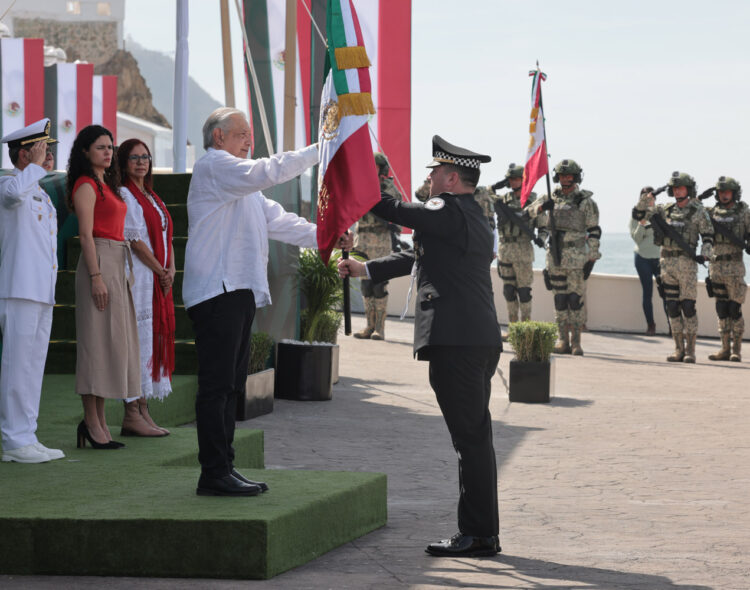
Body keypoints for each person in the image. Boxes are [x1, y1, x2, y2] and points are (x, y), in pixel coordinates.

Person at [338, 135, 503, 558]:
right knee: (473, 438)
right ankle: (480, 531)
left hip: (458, 342)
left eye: (433, 173)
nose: (427, 179)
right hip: (474, 338)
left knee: (470, 440)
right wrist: (365, 267)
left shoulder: (448, 209)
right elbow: (418, 256)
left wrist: (358, 179)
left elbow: (392, 210)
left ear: (450, 178)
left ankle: (479, 534)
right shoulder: (470, 214)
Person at [183, 107, 351, 497]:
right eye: (241, 133)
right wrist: (321, 150)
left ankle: (223, 466)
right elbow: (268, 170)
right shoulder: (215, 166)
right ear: (219, 137)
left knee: (229, 386)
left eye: (250, 134)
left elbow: (283, 223)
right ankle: (213, 471)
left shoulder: (242, 186)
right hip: (217, 292)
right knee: (217, 386)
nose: (249, 140)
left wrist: (329, 235)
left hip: (236, 292)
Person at [67, 124, 140, 449]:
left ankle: (97, 421)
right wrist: (96, 277)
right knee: (95, 344)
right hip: (99, 263)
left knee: (111, 343)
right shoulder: (85, 185)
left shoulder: (107, 184)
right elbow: (85, 235)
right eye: (101, 147)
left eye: (111, 146)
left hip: (115, 263)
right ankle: (92, 423)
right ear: (85, 152)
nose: (109, 152)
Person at [0, 118, 65, 463]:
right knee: (17, 365)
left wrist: (35, 170)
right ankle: (13, 440)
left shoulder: (38, 190)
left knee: (32, 365)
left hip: (40, 290)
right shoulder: (10, 183)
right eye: (42, 148)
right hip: (18, 288)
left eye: (49, 148)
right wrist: (33, 168)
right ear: (24, 155)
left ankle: (27, 434)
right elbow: (11, 197)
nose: (49, 154)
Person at [119, 138, 175, 435]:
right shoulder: (125, 194)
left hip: (157, 275)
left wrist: (171, 269)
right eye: (133, 157)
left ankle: (144, 411)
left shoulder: (153, 196)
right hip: (140, 277)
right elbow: (135, 241)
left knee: (150, 340)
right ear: (123, 162)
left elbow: (166, 235)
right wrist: (160, 270)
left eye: (145, 156)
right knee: (138, 342)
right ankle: (132, 411)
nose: (141, 162)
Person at [633, 171, 713, 363]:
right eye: (674, 188)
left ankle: (691, 350)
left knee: (688, 307)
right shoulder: (665, 210)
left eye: (681, 188)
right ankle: (678, 349)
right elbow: (639, 215)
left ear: (689, 189)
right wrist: (648, 198)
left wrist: (705, 253)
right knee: (672, 307)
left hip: (686, 264)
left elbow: (708, 235)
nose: (677, 192)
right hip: (666, 263)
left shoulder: (698, 211)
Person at [533, 159, 601, 355]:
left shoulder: (586, 202)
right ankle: (562, 340)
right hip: (555, 257)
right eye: (562, 176)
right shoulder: (549, 198)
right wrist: (540, 209)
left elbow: (594, 230)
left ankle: (577, 342)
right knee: (560, 300)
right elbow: (533, 218)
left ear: (576, 177)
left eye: (569, 176)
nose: (565, 179)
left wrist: (593, 257)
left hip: (577, 257)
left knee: (575, 300)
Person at [352, 152, 403, 341]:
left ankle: (379, 329)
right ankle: (368, 326)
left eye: (374, 166)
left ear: (382, 168)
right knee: (366, 286)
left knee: (379, 285)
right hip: (362, 240)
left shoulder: (387, 187)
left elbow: (395, 211)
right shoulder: (359, 186)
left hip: (380, 240)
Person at [705, 176, 749, 362]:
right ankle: (724, 348)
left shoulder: (743, 211)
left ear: (734, 193)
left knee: (734, 308)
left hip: (734, 266)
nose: (723, 195)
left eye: (727, 192)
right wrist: (703, 194)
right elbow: (692, 208)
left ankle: (736, 350)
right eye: (720, 192)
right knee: (721, 308)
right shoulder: (711, 212)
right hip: (716, 266)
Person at [494, 162, 539, 325]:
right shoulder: (501, 200)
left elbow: (542, 224)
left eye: (516, 179)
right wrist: (497, 185)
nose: (513, 182)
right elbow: (482, 194)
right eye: (510, 179)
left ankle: (525, 326)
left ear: (523, 180)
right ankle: (513, 326)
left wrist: (542, 238)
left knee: (524, 291)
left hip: (523, 250)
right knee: (508, 291)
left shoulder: (533, 200)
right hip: (505, 250)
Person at [629, 188, 662, 335]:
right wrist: (642, 223)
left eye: (651, 197)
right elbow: (636, 238)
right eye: (645, 198)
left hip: (660, 258)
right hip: (642, 258)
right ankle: (651, 325)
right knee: (647, 293)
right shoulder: (635, 216)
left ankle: (672, 326)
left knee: (667, 293)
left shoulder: (660, 214)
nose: (649, 200)